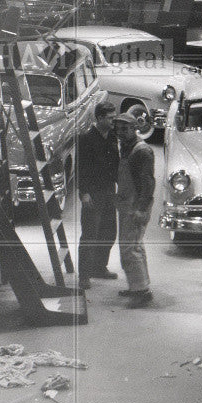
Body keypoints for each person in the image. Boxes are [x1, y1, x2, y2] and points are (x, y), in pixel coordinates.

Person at [114, 111, 155, 308]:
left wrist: (141, 209)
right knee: (133, 245)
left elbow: (147, 184)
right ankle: (138, 285)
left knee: (131, 248)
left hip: (136, 205)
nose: (120, 132)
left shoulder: (141, 151)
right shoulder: (126, 147)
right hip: (126, 204)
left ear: (134, 129)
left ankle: (141, 292)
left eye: (125, 129)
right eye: (118, 129)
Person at [76, 101, 119, 290]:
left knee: (109, 232)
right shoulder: (86, 139)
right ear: (100, 118)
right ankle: (84, 275)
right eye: (110, 118)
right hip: (93, 194)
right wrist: (84, 193)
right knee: (90, 235)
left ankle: (99, 267)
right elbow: (80, 169)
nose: (113, 121)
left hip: (110, 191)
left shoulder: (112, 136)